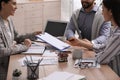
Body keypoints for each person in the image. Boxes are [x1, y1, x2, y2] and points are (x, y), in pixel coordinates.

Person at [0, 0, 40, 80]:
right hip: (2, 69)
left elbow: (17, 37)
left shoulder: (8, 20)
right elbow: (2, 51)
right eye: (14, 4)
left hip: (9, 62)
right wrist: (24, 46)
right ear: (3, 4)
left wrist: (33, 35)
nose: (16, 7)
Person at [97, 0, 120, 76]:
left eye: (103, 9)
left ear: (110, 12)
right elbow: (104, 48)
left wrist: (99, 55)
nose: (101, 12)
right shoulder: (113, 30)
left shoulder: (118, 35)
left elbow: (102, 59)